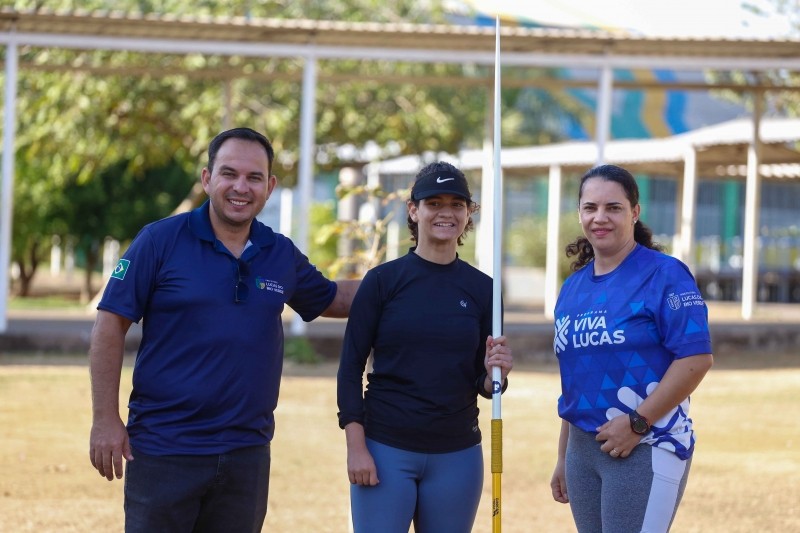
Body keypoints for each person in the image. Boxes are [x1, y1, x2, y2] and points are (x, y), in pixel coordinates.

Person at [88, 127, 359, 532]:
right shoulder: (160, 241)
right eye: (229, 174)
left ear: (269, 187)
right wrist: (105, 419)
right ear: (206, 179)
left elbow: (334, 298)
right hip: (165, 451)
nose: (240, 187)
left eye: (253, 178)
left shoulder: (278, 252)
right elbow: (109, 325)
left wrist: (408, 279)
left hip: (246, 455)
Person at [336, 161, 513, 533]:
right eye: (434, 202)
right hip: (386, 450)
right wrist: (356, 447)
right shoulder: (383, 281)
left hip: (458, 455)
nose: (446, 212)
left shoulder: (485, 290)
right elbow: (350, 368)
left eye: (457, 204)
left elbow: (484, 383)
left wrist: (496, 372)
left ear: (469, 214)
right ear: (414, 210)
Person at [549, 164, 714, 532]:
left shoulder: (665, 274)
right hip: (582, 452)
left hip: (646, 443)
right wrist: (563, 455)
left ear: (634, 213)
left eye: (614, 207)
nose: (600, 218)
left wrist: (638, 423)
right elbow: (575, 379)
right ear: (580, 213)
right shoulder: (573, 287)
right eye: (590, 208)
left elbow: (697, 358)